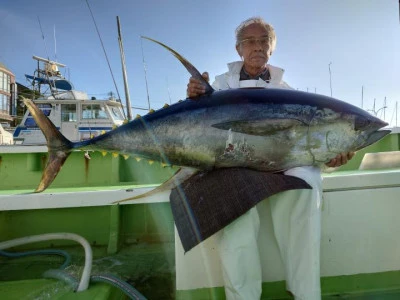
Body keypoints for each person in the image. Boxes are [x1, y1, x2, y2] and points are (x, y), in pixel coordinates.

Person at [186, 17, 354, 300]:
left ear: (272, 48)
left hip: (279, 164)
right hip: (232, 164)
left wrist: (329, 159)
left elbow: (307, 141)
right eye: (250, 41)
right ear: (239, 49)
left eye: (264, 41)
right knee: (234, 207)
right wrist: (194, 95)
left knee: (308, 181)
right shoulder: (217, 85)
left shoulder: (287, 91)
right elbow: (194, 124)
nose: (258, 46)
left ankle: (305, 293)